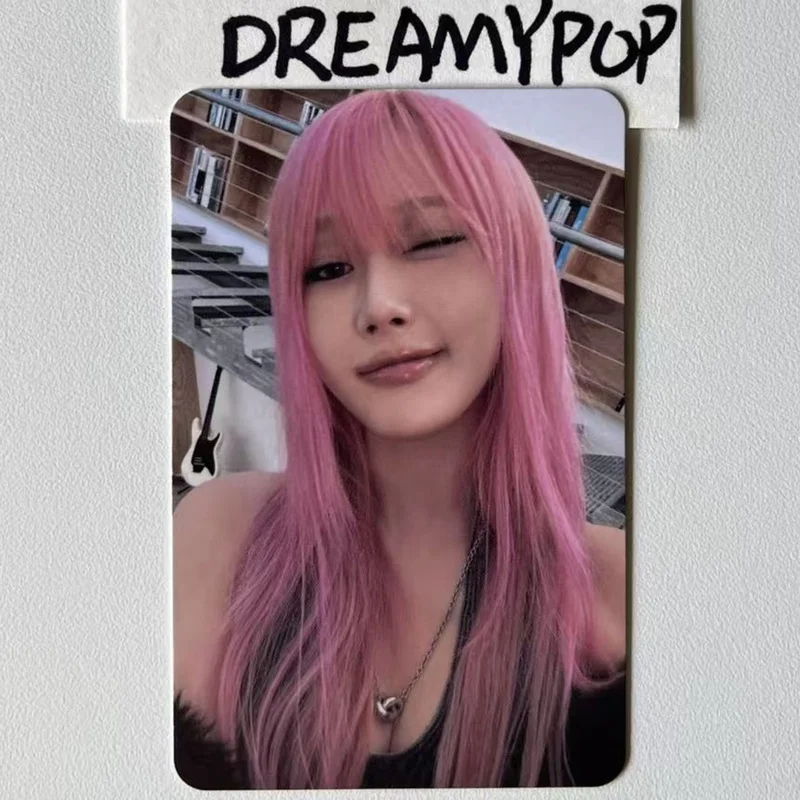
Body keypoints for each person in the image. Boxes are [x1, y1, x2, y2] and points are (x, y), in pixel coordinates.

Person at [173, 89, 627, 790]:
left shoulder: (626, 600)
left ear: (516, 267)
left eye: (432, 241)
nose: (379, 306)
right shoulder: (216, 536)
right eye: (327, 268)